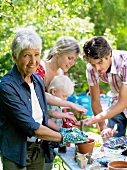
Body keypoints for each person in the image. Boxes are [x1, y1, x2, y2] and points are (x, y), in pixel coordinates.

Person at [0, 28, 88, 170]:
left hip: (38, 149)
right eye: (27, 55)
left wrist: (64, 131)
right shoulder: (7, 87)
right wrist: (64, 138)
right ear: (15, 57)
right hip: (16, 151)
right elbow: (31, 127)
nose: (33, 61)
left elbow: (43, 119)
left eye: (36, 54)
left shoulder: (37, 80)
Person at [83, 36, 127, 137]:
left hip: (122, 101)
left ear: (108, 54)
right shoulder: (91, 69)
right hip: (117, 102)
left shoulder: (125, 62)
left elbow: (123, 102)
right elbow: (95, 101)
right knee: (112, 144)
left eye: (100, 62)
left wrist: (94, 119)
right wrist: (103, 126)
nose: (97, 68)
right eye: (93, 64)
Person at [36, 36, 88, 118]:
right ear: (58, 53)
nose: (72, 63)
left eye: (74, 60)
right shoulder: (40, 68)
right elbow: (39, 95)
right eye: (70, 58)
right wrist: (71, 105)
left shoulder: (61, 73)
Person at [44, 75, 77, 170]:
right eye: (64, 96)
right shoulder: (49, 102)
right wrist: (65, 116)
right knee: (48, 159)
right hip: (48, 138)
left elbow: (58, 115)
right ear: (54, 92)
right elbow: (51, 113)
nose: (65, 99)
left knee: (54, 155)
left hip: (55, 137)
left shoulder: (58, 104)